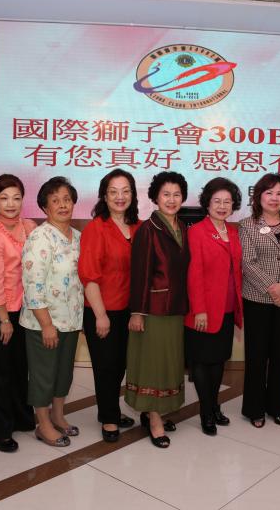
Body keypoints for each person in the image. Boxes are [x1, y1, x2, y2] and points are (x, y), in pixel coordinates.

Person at [126, 171, 190, 448]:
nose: (171, 200)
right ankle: (154, 419)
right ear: (155, 197)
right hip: (153, 310)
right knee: (153, 364)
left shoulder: (183, 227)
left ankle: (158, 411)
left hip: (175, 308)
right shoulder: (148, 230)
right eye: (166, 194)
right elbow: (140, 274)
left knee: (169, 363)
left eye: (176, 194)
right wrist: (137, 312)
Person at [78, 169, 141, 442]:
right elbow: (89, 276)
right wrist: (101, 315)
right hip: (101, 309)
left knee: (121, 366)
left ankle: (110, 409)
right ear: (104, 196)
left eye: (125, 191)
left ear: (133, 195)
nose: (120, 197)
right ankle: (109, 419)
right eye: (113, 192)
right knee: (106, 367)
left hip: (130, 311)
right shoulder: (96, 228)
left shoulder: (139, 227)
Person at [239, 173, 280, 428]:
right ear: (259, 197)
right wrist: (272, 290)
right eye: (269, 193)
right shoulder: (247, 225)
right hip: (257, 299)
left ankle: (279, 407)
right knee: (256, 356)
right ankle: (254, 408)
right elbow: (248, 262)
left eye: (279, 193)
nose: (274, 198)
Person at [21, 177, 83, 448]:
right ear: (45, 207)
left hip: (71, 319)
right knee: (44, 374)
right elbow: (32, 285)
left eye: (67, 199)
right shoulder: (40, 237)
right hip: (43, 322)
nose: (63, 205)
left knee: (63, 373)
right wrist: (46, 324)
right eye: (55, 200)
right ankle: (43, 424)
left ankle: (58, 415)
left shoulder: (78, 237)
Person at [0, 174, 37, 451]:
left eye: (16, 197)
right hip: (1, 312)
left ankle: (22, 417)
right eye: (4, 198)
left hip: (26, 311)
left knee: (20, 367)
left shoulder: (30, 226)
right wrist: (4, 320)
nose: (10, 203)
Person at [184, 178, 243, 436]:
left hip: (228, 308)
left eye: (227, 202)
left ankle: (214, 405)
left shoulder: (234, 232)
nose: (222, 206)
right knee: (201, 361)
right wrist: (199, 309)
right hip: (203, 310)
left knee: (219, 360)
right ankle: (206, 412)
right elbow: (194, 273)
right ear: (207, 203)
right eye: (217, 201)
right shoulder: (197, 231)